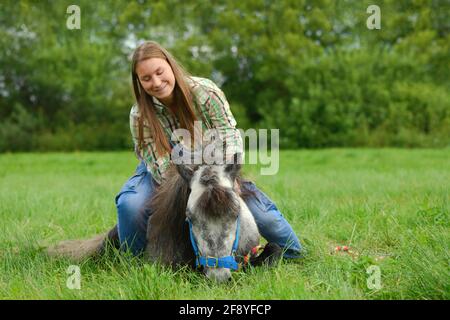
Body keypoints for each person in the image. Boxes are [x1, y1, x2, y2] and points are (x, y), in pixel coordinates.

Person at [115, 41, 302, 259]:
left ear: (170, 66)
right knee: (131, 205)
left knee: (264, 218)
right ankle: (133, 260)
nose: (156, 82)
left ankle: (290, 253)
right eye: (146, 78)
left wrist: (225, 180)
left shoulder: (205, 92)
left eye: (159, 72)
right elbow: (159, 164)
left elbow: (230, 137)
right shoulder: (139, 114)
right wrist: (191, 187)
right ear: (138, 81)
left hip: (218, 167)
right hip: (168, 176)